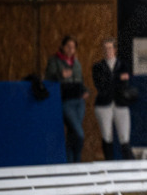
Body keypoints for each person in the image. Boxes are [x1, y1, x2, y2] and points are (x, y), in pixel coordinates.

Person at [44, 35, 88, 163]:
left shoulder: (77, 63)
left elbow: (80, 81)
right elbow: (48, 78)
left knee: (73, 133)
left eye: (73, 47)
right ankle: (76, 160)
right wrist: (60, 75)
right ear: (62, 47)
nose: (70, 49)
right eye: (68, 46)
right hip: (66, 101)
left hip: (79, 101)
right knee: (79, 133)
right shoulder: (55, 61)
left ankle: (72, 164)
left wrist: (85, 91)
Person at [92, 38, 133, 160]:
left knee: (124, 136)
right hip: (104, 104)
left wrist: (111, 80)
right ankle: (109, 162)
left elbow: (124, 84)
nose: (107, 51)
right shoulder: (98, 67)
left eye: (110, 48)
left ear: (114, 49)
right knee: (107, 135)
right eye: (105, 48)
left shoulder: (123, 65)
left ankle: (130, 165)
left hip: (120, 103)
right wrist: (117, 79)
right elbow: (100, 85)